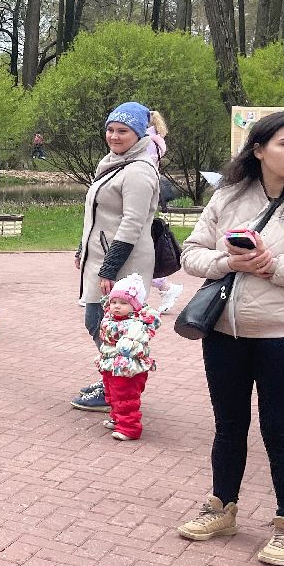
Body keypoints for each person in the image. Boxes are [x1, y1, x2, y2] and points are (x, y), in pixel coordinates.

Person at [175, 110, 284, 566]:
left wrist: (273, 266)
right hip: (225, 332)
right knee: (228, 425)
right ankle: (221, 508)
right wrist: (228, 263)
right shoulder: (228, 196)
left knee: (279, 430)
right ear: (258, 150)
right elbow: (191, 253)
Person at [70, 102, 163, 412]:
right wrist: (83, 248)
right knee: (100, 322)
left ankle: (118, 386)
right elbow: (98, 214)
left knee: (114, 327)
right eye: (110, 129)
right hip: (102, 257)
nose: (114, 136)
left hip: (124, 262)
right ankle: (110, 378)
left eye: (122, 131)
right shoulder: (113, 163)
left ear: (138, 134)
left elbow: (132, 223)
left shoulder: (139, 171)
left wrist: (109, 267)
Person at [95, 274, 158, 442]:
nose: (117, 306)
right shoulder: (111, 317)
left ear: (135, 306)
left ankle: (130, 428)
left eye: (123, 303)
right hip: (111, 363)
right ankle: (118, 419)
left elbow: (137, 344)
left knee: (126, 396)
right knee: (112, 393)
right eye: (114, 302)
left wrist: (127, 344)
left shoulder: (137, 324)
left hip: (127, 367)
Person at [136, 115, 184, 314]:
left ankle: (162, 288)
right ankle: (163, 288)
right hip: (149, 192)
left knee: (136, 252)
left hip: (142, 192)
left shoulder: (145, 142)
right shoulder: (157, 142)